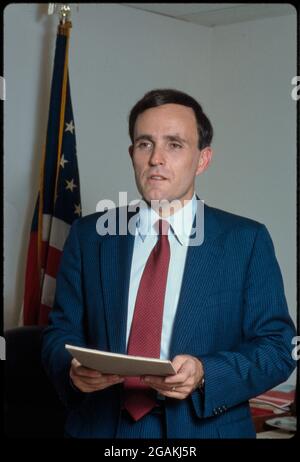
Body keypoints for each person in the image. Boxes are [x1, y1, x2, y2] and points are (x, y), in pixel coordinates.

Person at [42, 88, 296, 439]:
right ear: (132, 154)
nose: (156, 158)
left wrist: (206, 372)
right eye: (145, 144)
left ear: (203, 159)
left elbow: (278, 349)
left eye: (174, 144)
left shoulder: (246, 241)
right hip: (103, 428)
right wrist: (71, 370)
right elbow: (59, 331)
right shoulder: (90, 236)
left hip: (203, 429)